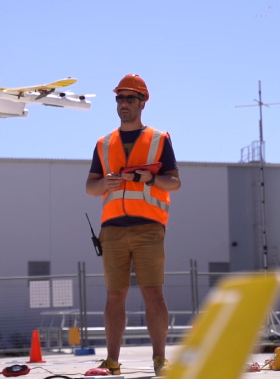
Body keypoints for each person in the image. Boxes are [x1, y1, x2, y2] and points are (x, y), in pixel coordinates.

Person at [85, 73, 181, 377]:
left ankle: (160, 359)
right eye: (119, 99)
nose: (123, 104)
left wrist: (148, 177)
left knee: (153, 292)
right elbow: (90, 187)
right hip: (112, 230)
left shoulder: (159, 139)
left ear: (143, 102)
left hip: (148, 228)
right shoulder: (103, 143)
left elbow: (175, 183)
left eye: (130, 99)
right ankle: (112, 361)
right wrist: (106, 184)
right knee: (115, 295)